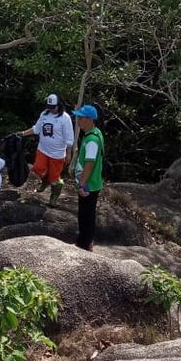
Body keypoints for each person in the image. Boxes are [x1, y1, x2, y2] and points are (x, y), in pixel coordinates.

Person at [18, 94, 74, 206]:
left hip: (57, 153)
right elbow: (36, 129)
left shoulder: (65, 118)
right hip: (43, 149)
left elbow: (69, 138)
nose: (51, 109)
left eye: (53, 107)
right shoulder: (44, 114)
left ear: (59, 105)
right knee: (38, 168)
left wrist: (68, 154)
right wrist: (22, 133)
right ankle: (45, 180)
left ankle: (53, 197)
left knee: (55, 178)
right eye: (49, 107)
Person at [73, 104, 104, 251]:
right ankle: (85, 241)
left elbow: (89, 164)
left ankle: (84, 244)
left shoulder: (92, 140)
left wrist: (82, 184)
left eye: (80, 117)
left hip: (88, 184)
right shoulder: (96, 133)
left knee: (86, 215)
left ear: (88, 119)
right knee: (86, 213)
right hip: (92, 183)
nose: (78, 120)